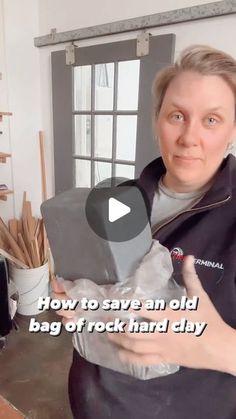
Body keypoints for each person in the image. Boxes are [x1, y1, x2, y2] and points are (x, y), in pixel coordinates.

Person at [52, 45, 236, 419]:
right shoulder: (119, 199)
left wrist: (221, 347)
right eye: (177, 115)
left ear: (233, 131)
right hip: (93, 403)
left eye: (212, 120)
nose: (189, 137)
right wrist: (77, 302)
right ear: (157, 121)